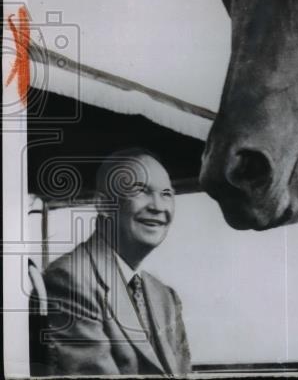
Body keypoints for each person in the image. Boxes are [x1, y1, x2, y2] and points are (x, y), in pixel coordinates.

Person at [42, 148, 191, 376]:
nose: (158, 206)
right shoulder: (68, 279)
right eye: (141, 191)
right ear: (103, 205)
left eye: (167, 194)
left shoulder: (165, 297)